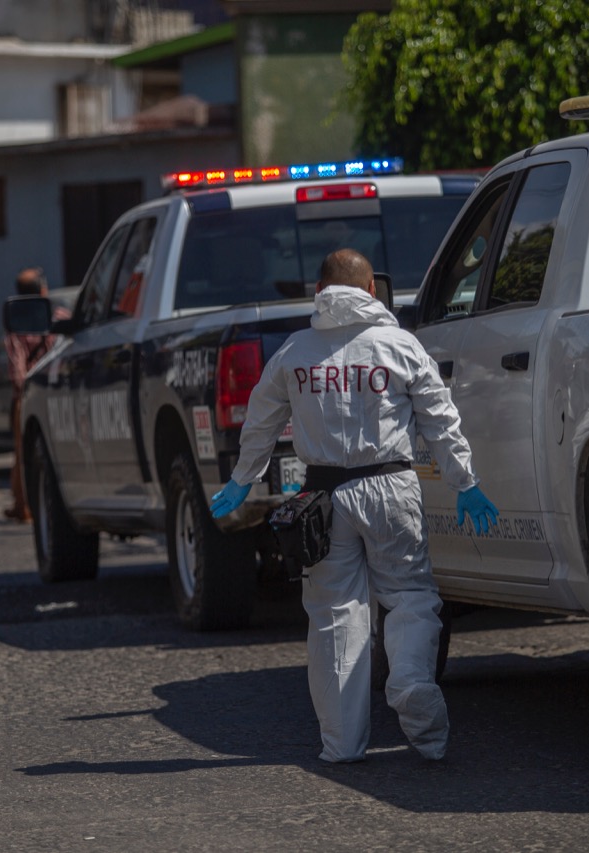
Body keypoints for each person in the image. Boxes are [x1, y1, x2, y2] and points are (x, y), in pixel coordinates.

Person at [210, 248, 499, 763]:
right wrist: (465, 483)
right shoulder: (400, 346)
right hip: (391, 488)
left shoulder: (295, 353)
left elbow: (260, 420)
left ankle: (342, 745)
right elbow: (440, 419)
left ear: (319, 293)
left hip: (321, 499)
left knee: (334, 615)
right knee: (409, 597)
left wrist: (241, 480)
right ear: (371, 291)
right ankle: (412, 691)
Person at [3, 266, 64, 522]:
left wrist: (22, 391)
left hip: (27, 395)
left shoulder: (16, 323)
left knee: (23, 452)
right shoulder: (57, 315)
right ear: (42, 290)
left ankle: (24, 506)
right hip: (55, 392)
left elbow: (17, 368)